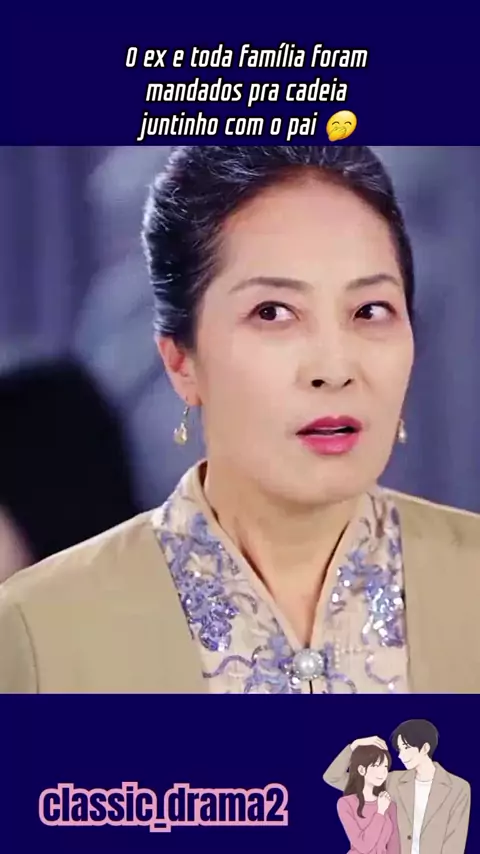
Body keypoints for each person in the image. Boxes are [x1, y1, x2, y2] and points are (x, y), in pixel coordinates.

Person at [1, 145, 480, 693]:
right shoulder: (44, 625)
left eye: (370, 311)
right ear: (181, 360)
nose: (334, 368)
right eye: (272, 313)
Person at [324, 720, 470, 853]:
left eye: (406, 748)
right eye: (400, 749)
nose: (400, 755)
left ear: (425, 748)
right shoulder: (392, 780)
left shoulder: (458, 788)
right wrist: (354, 746)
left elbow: (455, 842)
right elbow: (333, 777)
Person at [337, 744, 400, 854]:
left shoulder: (389, 804)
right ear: (361, 770)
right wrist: (380, 812)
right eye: (376, 765)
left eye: (385, 766)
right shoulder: (346, 803)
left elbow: (394, 844)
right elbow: (364, 846)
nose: (383, 772)